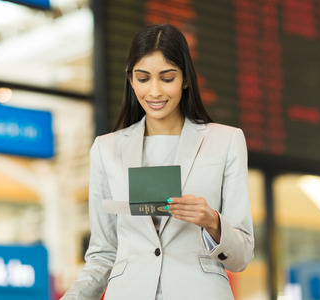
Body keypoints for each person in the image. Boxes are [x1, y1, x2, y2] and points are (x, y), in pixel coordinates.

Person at [61, 23, 254, 300]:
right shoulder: (106, 149)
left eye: (167, 78)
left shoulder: (225, 141)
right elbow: (103, 254)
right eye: (143, 78)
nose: (154, 92)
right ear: (130, 79)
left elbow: (242, 256)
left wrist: (212, 221)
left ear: (185, 79)